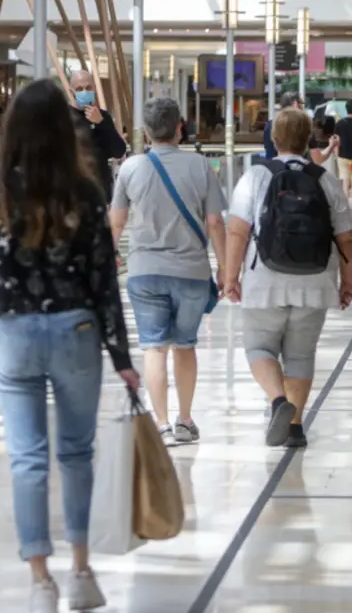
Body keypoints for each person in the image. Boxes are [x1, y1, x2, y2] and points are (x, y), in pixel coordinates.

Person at [0, 79, 138, 612]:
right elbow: (103, 282)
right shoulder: (86, 192)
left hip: (16, 334)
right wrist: (122, 358)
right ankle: (82, 568)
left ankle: (40, 581)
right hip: (77, 332)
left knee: (27, 460)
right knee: (75, 454)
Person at [223, 108, 352, 449]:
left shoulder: (256, 177)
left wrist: (230, 276)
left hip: (264, 279)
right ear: (309, 139)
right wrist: (347, 283)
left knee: (259, 347)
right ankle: (295, 428)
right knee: (300, 354)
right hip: (315, 281)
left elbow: (238, 231)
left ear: (273, 138)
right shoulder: (324, 179)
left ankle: (279, 401)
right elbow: (345, 238)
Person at [110, 97, 226, 446]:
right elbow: (216, 222)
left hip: (144, 272)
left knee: (154, 348)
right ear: (180, 127)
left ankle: (160, 424)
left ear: (145, 131)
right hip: (191, 271)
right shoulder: (200, 166)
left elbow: (116, 220)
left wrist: (110, 254)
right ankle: (185, 419)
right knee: (185, 346)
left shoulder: (131, 168)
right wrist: (225, 268)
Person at [69, 70, 127, 197]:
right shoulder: (64, 118)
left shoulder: (103, 117)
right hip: (73, 191)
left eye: (88, 87)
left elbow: (119, 150)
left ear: (94, 88)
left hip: (101, 189)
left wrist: (100, 122)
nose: (84, 92)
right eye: (79, 89)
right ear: (71, 92)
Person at [263, 92, 303, 159]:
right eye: (300, 105)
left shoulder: (270, 124)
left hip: (271, 165)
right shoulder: (297, 126)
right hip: (291, 166)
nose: (302, 108)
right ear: (295, 104)